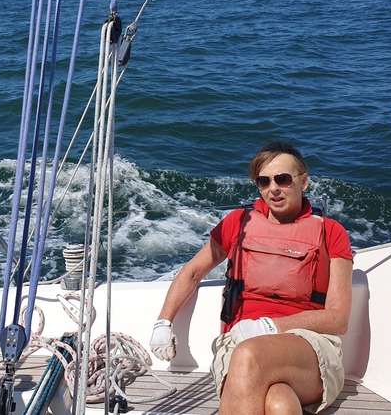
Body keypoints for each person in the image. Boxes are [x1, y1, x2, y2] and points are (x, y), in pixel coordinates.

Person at [149, 142, 353, 415]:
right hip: (239, 340)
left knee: (248, 355)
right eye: (264, 181)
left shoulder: (331, 232)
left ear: (304, 182)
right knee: (279, 403)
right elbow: (193, 272)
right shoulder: (238, 223)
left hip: (306, 346)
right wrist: (164, 322)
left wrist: (271, 326)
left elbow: (338, 319)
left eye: (283, 179)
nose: (273, 188)